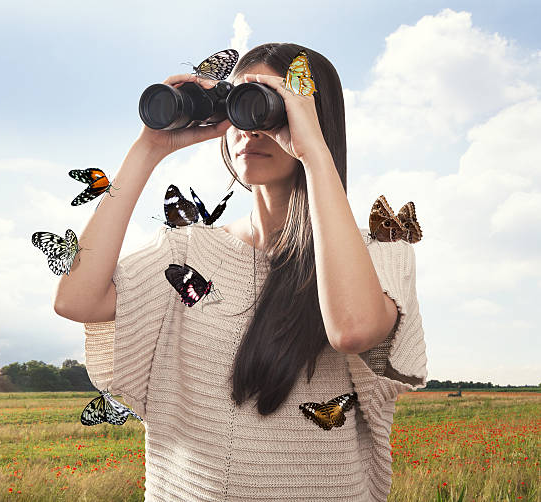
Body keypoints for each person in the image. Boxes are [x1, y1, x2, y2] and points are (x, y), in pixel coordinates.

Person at [54, 42, 428, 502]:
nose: (251, 129)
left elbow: (351, 330)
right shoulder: (187, 249)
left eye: (270, 108)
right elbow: (76, 299)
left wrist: (315, 154)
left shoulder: (377, 254)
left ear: (314, 120)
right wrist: (148, 148)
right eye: (240, 105)